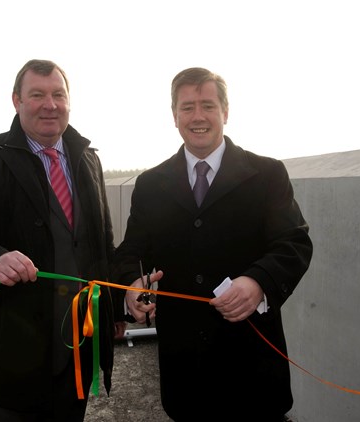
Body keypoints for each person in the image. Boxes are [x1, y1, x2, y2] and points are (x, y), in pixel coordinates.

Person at [112, 67, 313, 421]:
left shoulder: (267, 174)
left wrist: (258, 282)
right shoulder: (150, 184)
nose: (198, 116)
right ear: (174, 116)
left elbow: (293, 243)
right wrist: (131, 285)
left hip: (253, 371)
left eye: (207, 105)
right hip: (185, 374)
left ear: (225, 111)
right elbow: (132, 251)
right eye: (187, 107)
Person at [0, 59, 124, 421]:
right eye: (37, 95)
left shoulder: (88, 159)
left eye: (58, 95)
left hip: (78, 347)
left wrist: (112, 309)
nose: (49, 104)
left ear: (69, 101)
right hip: (14, 353)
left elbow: (102, 241)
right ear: (16, 101)